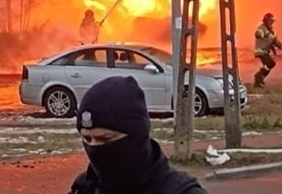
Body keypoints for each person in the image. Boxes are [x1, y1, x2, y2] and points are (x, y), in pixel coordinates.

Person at [70, 76, 208, 194]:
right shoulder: (85, 188)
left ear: (136, 136)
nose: (94, 148)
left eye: (105, 139)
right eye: (87, 139)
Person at [253, 12, 282, 88]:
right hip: (261, 51)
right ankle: (258, 76)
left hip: (265, 52)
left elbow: (276, 41)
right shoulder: (261, 28)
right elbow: (258, 33)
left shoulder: (272, 31)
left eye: (272, 21)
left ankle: (259, 80)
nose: (271, 23)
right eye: (270, 21)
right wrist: (260, 34)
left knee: (270, 64)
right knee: (271, 63)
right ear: (266, 21)